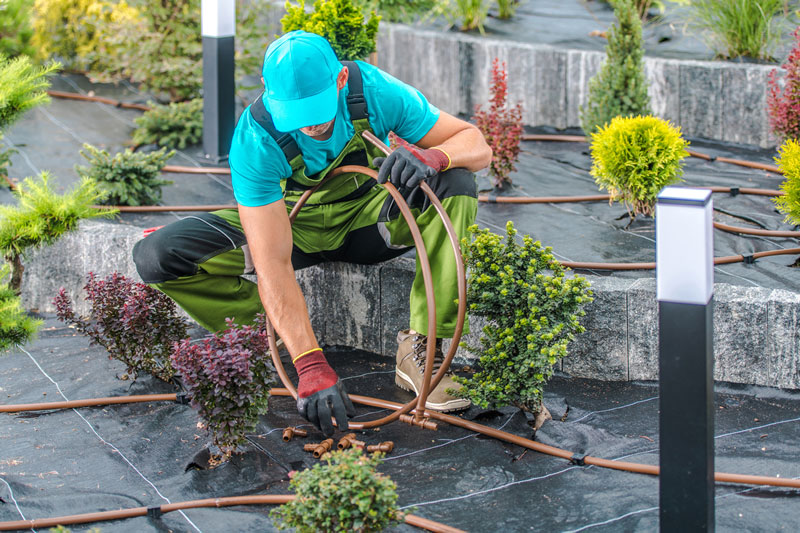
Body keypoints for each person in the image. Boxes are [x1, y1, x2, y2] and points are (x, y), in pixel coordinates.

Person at [132, 30, 492, 437]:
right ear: (269, 94)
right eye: (296, 117)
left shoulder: (372, 92)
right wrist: (309, 362)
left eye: (317, 112)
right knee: (158, 256)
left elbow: (476, 143)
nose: (309, 126)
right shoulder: (255, 139)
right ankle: (271, 337)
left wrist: (435, 155)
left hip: (368, 223)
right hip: (291, 229)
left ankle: (422, 351)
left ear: (340, 80)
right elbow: (271, 261)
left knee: (456, 185)